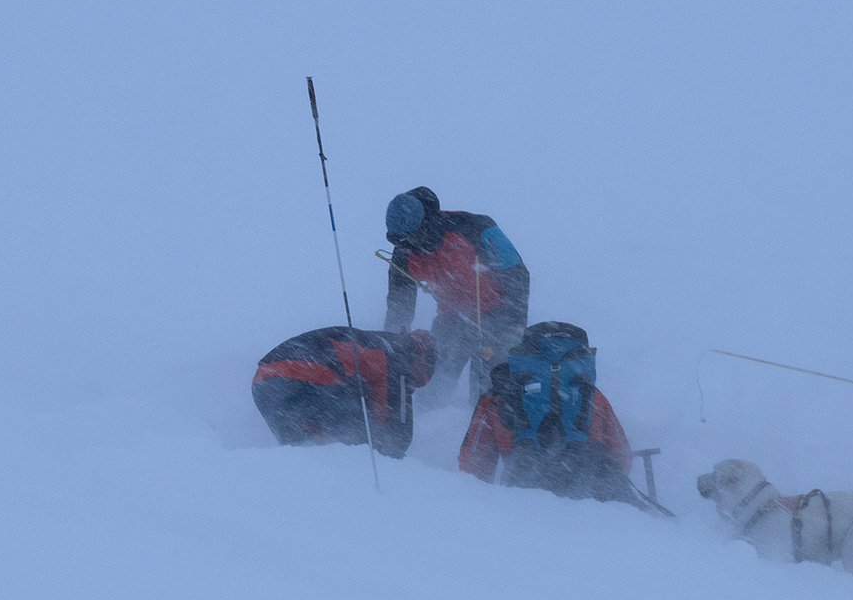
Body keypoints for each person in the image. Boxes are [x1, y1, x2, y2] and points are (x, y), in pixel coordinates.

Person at [458, 322, 639, 504]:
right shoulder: (592, 395)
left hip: (524, 489)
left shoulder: (497, 396)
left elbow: (472, 462)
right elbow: (622, 456)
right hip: (586, 493)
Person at [382, 186, 529, 404]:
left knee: (487, 391)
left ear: (427, 223)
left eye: (414, 237)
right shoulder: (404, 250)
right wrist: (392, 342)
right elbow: (399, 303)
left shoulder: (476, 229)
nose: (410, 246)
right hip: (450, 318)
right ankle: (430, 427)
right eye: (400, 241)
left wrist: (515, 327)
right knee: (434, 384)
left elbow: (517, 274)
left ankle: (480, 427)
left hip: (496, 317)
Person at [252, 326, 436, 458]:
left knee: (304, 453)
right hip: (301, 379)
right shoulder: (400, 357)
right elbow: (395, 430)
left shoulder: (379, 341)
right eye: (415, 382)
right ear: (420, 359)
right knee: (360, 430)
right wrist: (391, 460)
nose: (410, 388)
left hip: (265, 383)